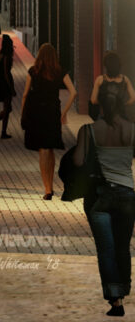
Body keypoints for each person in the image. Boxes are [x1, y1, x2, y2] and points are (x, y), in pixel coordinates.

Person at [77, 60, 135, 316]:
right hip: (127, 194)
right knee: (123, 246)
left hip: (99, 197)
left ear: (99, 104)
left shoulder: (89, 130)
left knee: (106, 249)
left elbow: (78, 161)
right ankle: (125, 286)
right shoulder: (132, 130)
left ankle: (116, 301)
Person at [28, 42, 79, 200]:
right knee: (49, 149)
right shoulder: (59, 71)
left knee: (42, 150)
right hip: (53, 112)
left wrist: (25, 112)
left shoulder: (34, 71)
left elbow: (24, 95)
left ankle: (47, 189)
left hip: (38, 112)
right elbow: (73, 92)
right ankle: (49, 184)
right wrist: (64, 112)